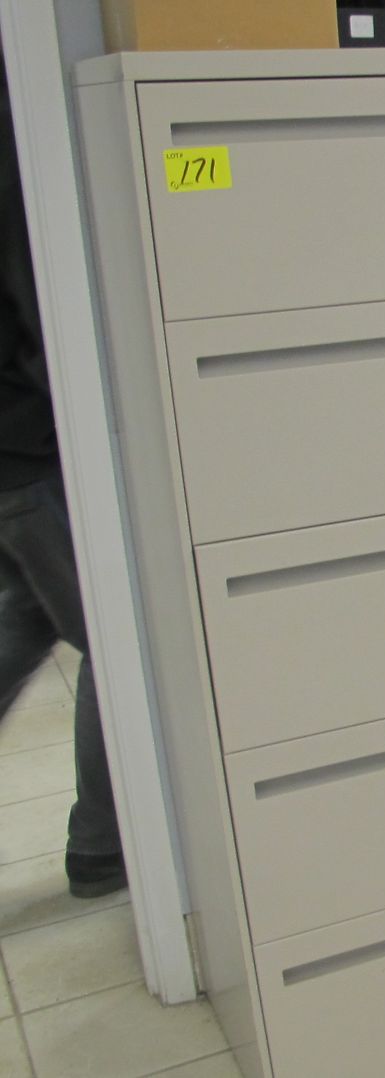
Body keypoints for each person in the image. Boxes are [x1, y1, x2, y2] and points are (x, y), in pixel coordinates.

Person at [1, 58, 124, 898]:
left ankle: (100, 843)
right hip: (34, 450)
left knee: (23, 627)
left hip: (16, 452)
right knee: (125, 646)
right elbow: (36, 302)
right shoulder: (23, 118)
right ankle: (106, 846)